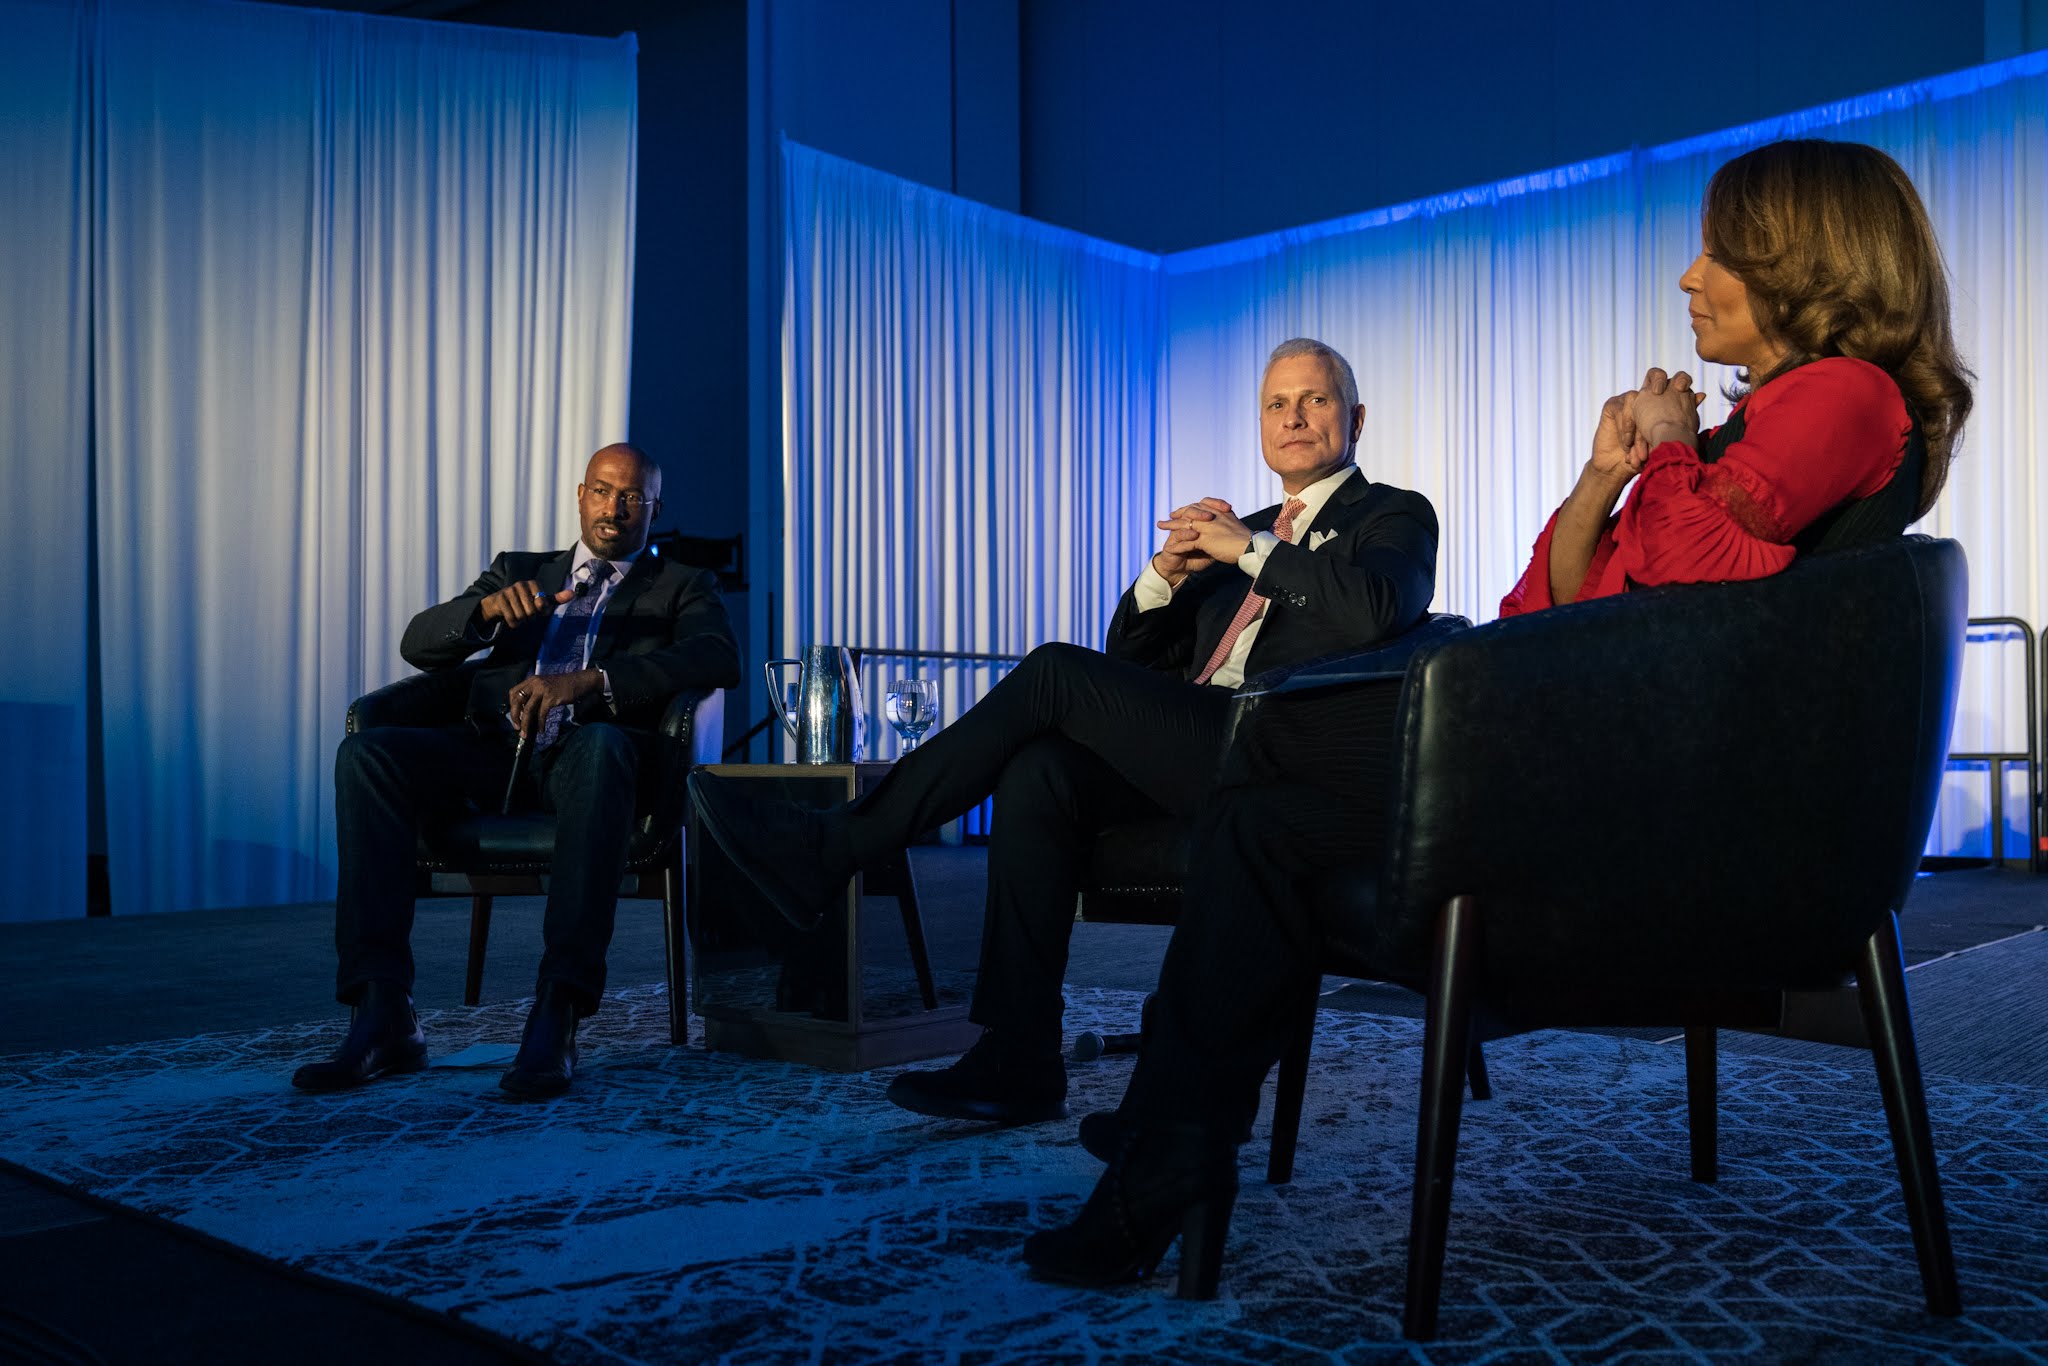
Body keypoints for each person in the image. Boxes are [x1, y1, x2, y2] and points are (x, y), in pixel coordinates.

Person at [1021, 138, 1973, 1290]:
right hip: (1580, 751)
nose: (1687, 276)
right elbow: (1548, 601)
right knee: (1257, 821)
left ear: (1799, 262)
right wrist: (1600, 476)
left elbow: (1687, 586)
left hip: (1638, 802)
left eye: (1717, 251)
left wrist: (1665, 456)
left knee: (1261, 745)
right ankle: (1169, 1152)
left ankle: (1164, 1126)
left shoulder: (1846, 394)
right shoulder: (1750, 431)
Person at [690, 338, 1439, 1125]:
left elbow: (1377, 608)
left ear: (1353, 418)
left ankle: (834, 848)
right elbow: (1129, 669)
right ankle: (1020, 1054)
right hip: (1201, 748)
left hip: (1289, 760)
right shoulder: (1235, 530)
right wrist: (1164, 578)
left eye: (1314, 400)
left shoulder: (1391, 514)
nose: (1293, 417)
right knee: (1041, 767)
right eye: (1276, 404)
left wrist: (1250, 552)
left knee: (1051, 669)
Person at [293, 443, 741, 1100]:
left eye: (631, 496)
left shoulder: (681, 585)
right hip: (491, 753)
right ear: (580, 494)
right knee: (367, 754)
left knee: (604, 748)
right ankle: (382, 1012)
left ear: (654, 508)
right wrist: (482, 615)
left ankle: (556, 1010)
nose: (614, 508)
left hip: (591, 759)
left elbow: (717, 656)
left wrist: (592, 682)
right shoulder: (520, 571)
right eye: (602, 491)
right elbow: (418, 643)